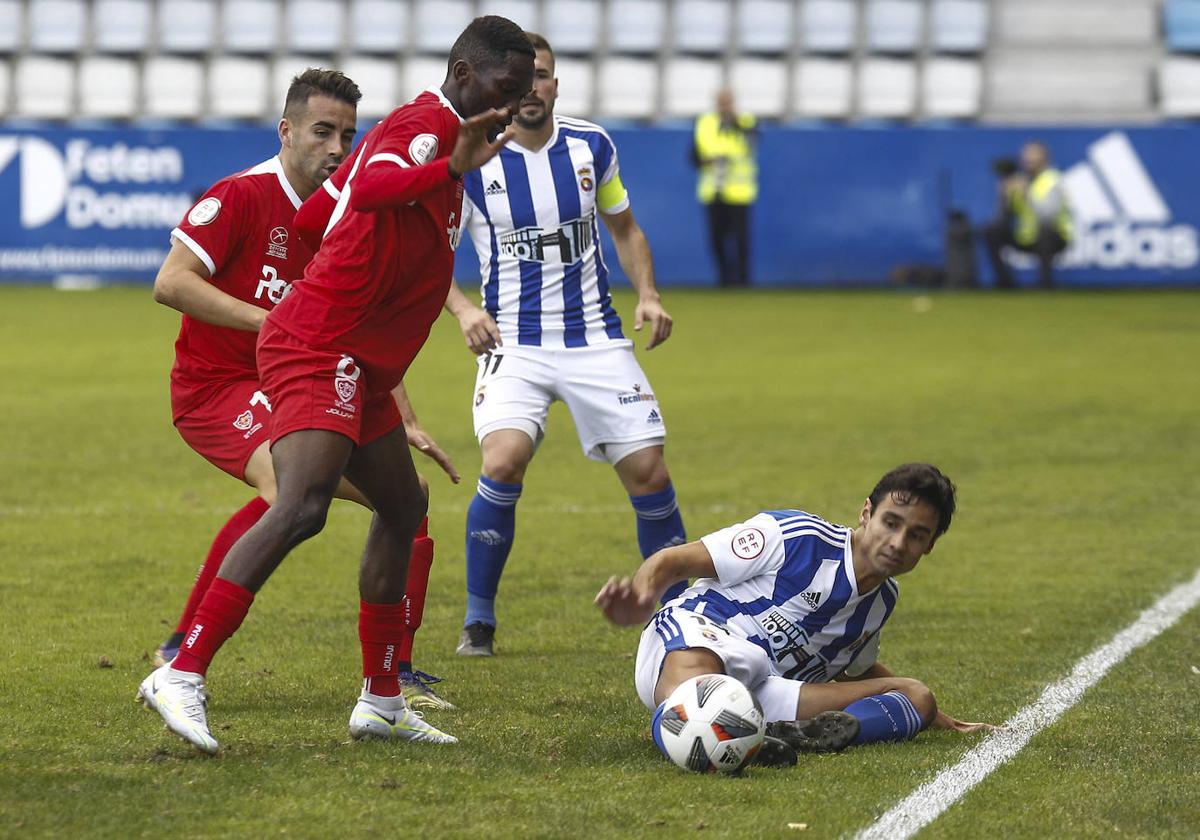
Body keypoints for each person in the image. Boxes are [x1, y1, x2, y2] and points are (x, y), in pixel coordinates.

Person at [137, 16, 536, 755]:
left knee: (403, 504)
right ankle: (182, 667)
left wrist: (350, 247)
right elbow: (383, 181)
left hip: (359, 358)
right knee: (301, 504)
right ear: (463, 76)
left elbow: (336, 204)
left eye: (521, 93)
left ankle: (382, 699)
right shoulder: (427, 132)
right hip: (319, 347)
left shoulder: (427, 141)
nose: (511, 106)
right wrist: (448, 168)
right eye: (504, 90)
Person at [148, 68, 460, 712]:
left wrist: (402, 414)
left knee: (410, 498)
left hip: (309, 380)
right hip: (219, 388)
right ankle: (182, 651)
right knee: (289, 493)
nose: (336, 147)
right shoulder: (240, 196)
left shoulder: (343, 208)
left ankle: (394, 674)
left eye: (348, 134)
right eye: (322, 131)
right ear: (285, 131)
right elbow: (170, 282)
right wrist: (269, 318)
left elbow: (359, 323)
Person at [444, 32, 686, 658]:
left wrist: (650, 294)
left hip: (595, 338)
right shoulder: (471, 159)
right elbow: (427, 254)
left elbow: (625, 228)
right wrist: (463, 306)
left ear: (556, 83)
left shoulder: (592, 146)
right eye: (523, 80)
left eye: (543, 76)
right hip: (512, 341)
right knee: (502, 462)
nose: (533, 90)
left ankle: (687, 611)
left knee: (650, 472)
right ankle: (479, 621)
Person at [595, 463, 999, 767]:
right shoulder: (797, 536)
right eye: (890, 523)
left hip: (769, 691)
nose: (897, 543)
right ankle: (689, 723)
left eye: (916, 535)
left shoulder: (881, 602)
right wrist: (644, 595)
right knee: (706, 679)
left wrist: (939, 718)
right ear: (866, 513)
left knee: (917, 695)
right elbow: (674, 561)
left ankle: (786, 736)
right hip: (700, 636)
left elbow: (857, 670)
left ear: (929, 547)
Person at [983, 141, 1073, 290]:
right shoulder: (1019, 180)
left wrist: (1028, 194)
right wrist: (1004, 195)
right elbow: (1003, 218)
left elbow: (1048, 215)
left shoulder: (1053, 180)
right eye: (1026, 156)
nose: (1028, 160)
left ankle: (1045, 284)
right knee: (992, 230)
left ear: (1044, 159)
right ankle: (1005, 282)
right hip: (1025, 237)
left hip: (1055, 237)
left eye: (1033, 156)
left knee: (1046, 231)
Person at [691, 88, 757, 288]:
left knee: (741, 240)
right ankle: (723, 280)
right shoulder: (705, 123)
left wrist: (735, 124)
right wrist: (707, 160)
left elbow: (751, 143)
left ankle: (743, 282)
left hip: (739, 193)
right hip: (713, 192)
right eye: (721, 102)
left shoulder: (745, 121)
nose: (725, 106)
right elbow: (693, 157)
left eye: (728, 102)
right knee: (717, 239)